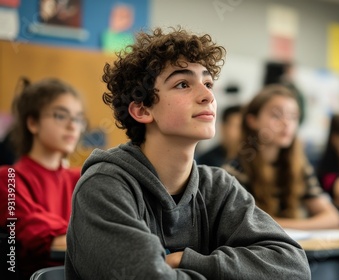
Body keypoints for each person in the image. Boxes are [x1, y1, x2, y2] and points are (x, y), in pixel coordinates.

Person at [65, 28, 310, 280]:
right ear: (142, 110)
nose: (208, 96)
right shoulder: (103, 186)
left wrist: (186, 260)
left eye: (208, 83)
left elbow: (292, 266)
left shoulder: (218, 186)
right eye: (183, 84)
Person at [223, 84, 339, 279]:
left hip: (298, 251)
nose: (286, 123)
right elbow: (244, 230)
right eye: (276, 115)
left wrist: (283, 226)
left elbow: (333, 217)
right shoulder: (234, 171)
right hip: (259, 261)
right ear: (252, 120)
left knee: (337, 267)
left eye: (293, 117)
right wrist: (299, 225)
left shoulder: (299, 166)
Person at [0, 78, 86, 279]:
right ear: (32, 123)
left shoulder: (83, 176)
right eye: (60, 115)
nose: (73, 125)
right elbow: (36, 231)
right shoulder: (8, 178)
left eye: (79, 118)